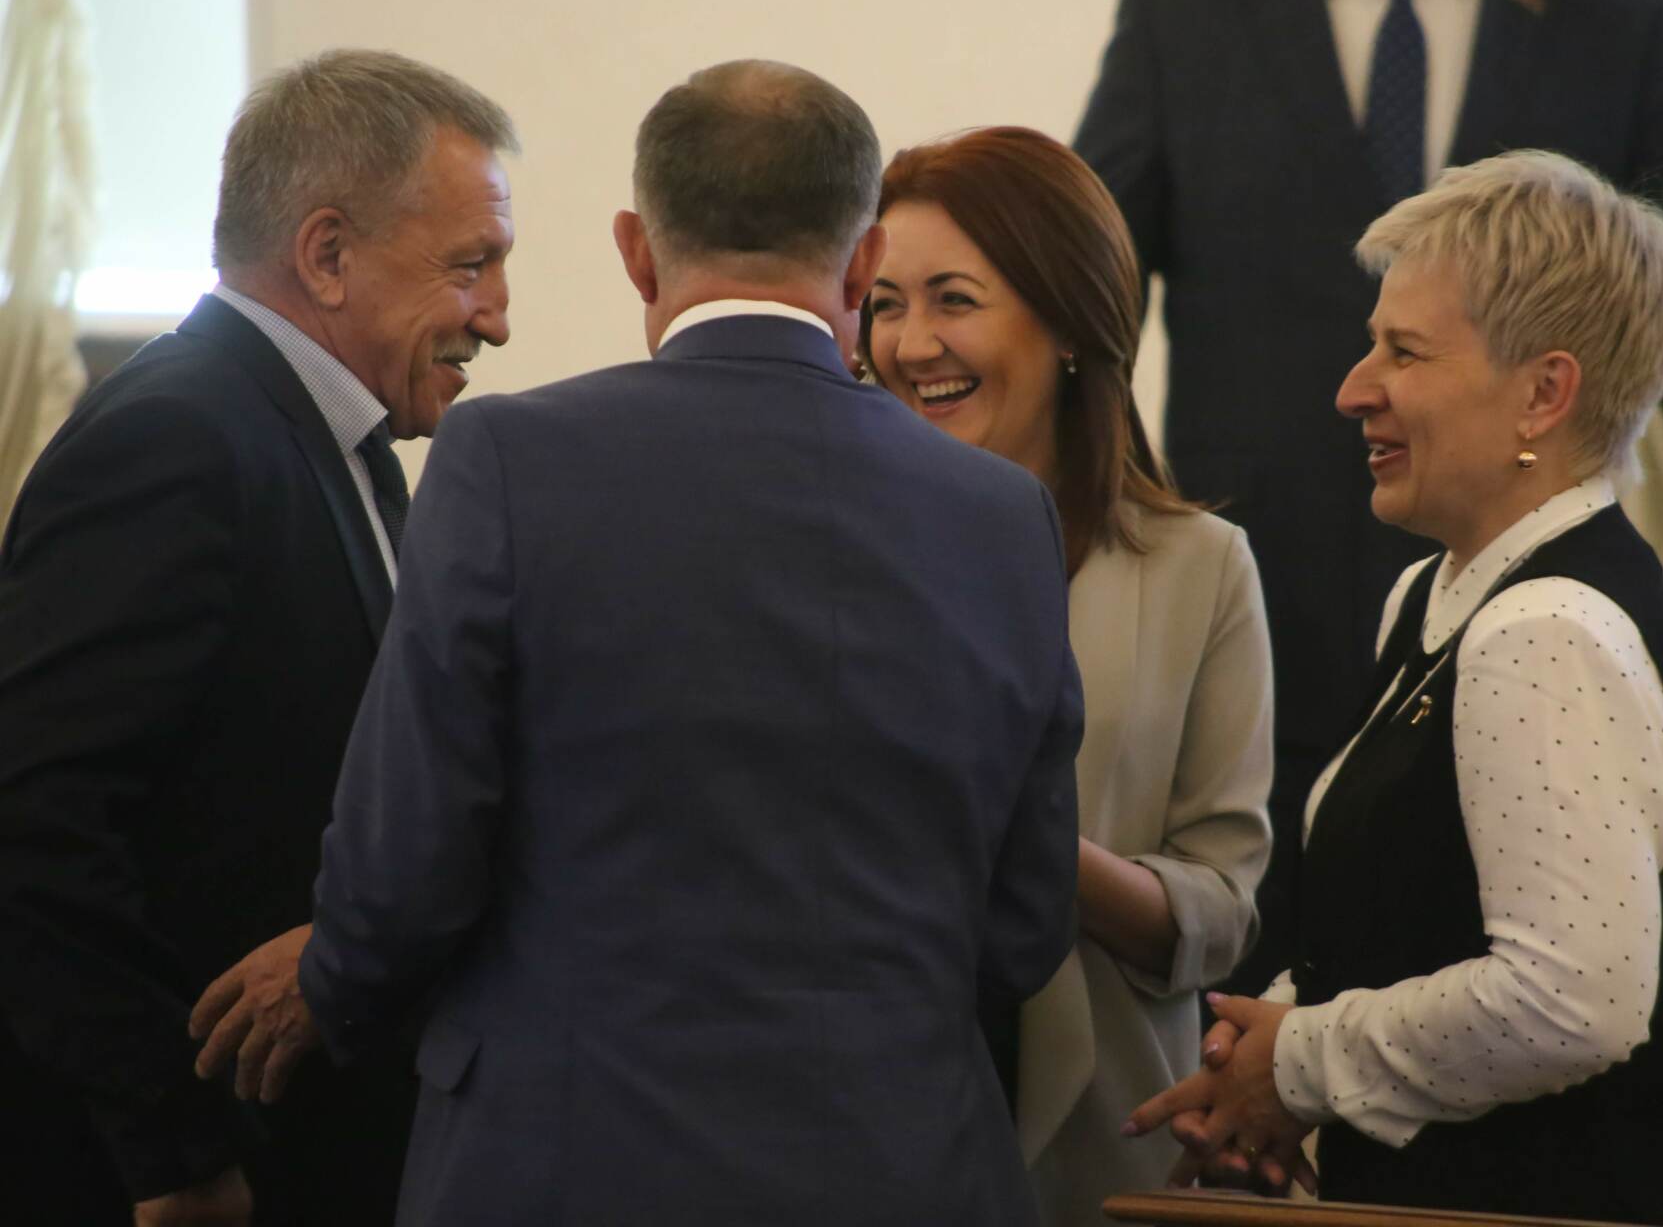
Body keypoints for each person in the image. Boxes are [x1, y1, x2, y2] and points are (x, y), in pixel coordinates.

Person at [188, 61, 1083, 1226]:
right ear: (863, 263)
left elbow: (407, 853)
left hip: (570, 1158)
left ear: (637, 250)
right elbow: (1025, 922)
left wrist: (335, 980)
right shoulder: (1002, 515)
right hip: (904, 1162)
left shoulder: (508, 461)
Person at [1076, 0, 1663, 992]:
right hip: (1262, 604)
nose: (1362, 386)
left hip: (1520, 578)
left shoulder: (1611, 21)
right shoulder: (1182, 13)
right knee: (1242, 1001)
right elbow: (1082, 299)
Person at [1124, 150, 1663, 1226]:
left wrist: (1297, 1061)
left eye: (1403, 352)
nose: (1353, 389)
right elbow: (1401, 920)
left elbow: (1574, 1001)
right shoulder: (1436, 592)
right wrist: (1255, 1052)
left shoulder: (1546, 628)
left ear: (1543, 393)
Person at [0, 50, 516, 1226]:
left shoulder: (339, 445)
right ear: (328, 254)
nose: (496, 314)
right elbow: (35, 818)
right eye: (470, 264)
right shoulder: (177, 438)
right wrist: (172, 1147)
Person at [860, 125, 1275, 1225]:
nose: (911, 343)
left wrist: (1037, 849)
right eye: (885, 304)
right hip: (860, 1121)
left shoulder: (1200, 566)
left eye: (954, 300)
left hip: (1102, 1137)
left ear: (1072, 324)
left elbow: (1222, 904)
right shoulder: (832, 546)